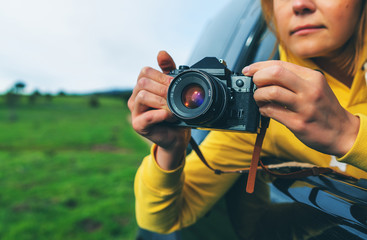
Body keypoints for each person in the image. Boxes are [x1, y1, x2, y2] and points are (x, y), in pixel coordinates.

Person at [128, 0, 367, 235]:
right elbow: (159, 220)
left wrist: (348, 134)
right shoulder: (260, 109)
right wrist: (170, 148)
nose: (299, 4)